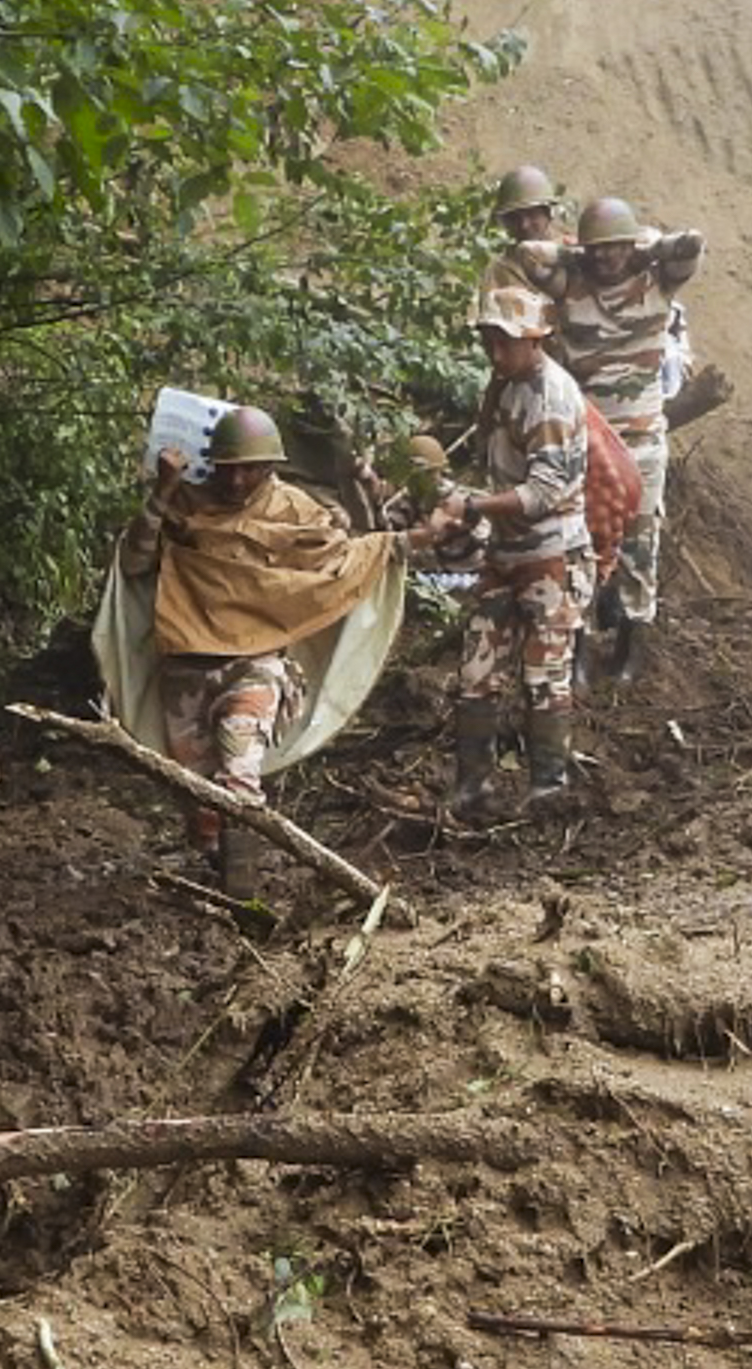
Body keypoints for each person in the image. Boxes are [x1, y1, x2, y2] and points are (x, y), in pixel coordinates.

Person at [106, 404, 407, 897]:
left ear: (272, 467)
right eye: (229, 467)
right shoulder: (184, 504)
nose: (239, 479)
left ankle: (244, 894)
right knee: (197, 796)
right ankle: (214, 882)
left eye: (252, 467)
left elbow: (335, 565)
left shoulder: (297, 511)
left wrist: (390, 546)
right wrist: (162, 490)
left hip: (255, 666)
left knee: (240, 775)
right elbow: (136, 560)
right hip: (186, 667)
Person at [410, 282, 596, 824]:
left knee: (544, 676)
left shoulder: (552, 398)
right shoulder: (505, 384)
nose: (495, 352)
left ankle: (548, 788)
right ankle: (473, 786)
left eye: (504, 341)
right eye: (489, 340)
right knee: (477, 670)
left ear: (534, 340)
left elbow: (543, 495)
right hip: (507, 555)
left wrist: (473, 507)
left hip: (553, 557)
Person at [530, 193, 704, 682]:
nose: (607, 256)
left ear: (632, 245)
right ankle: (579, 643)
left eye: (615, 246)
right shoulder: (572, 284)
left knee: (639, 543)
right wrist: (575, 251)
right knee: (581, 539)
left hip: (643, 437)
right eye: (598, 248)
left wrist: (648, 246)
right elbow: (527, 257)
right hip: (588, 435)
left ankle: (632, 643)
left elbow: (692, 245)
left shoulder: (658, 281)